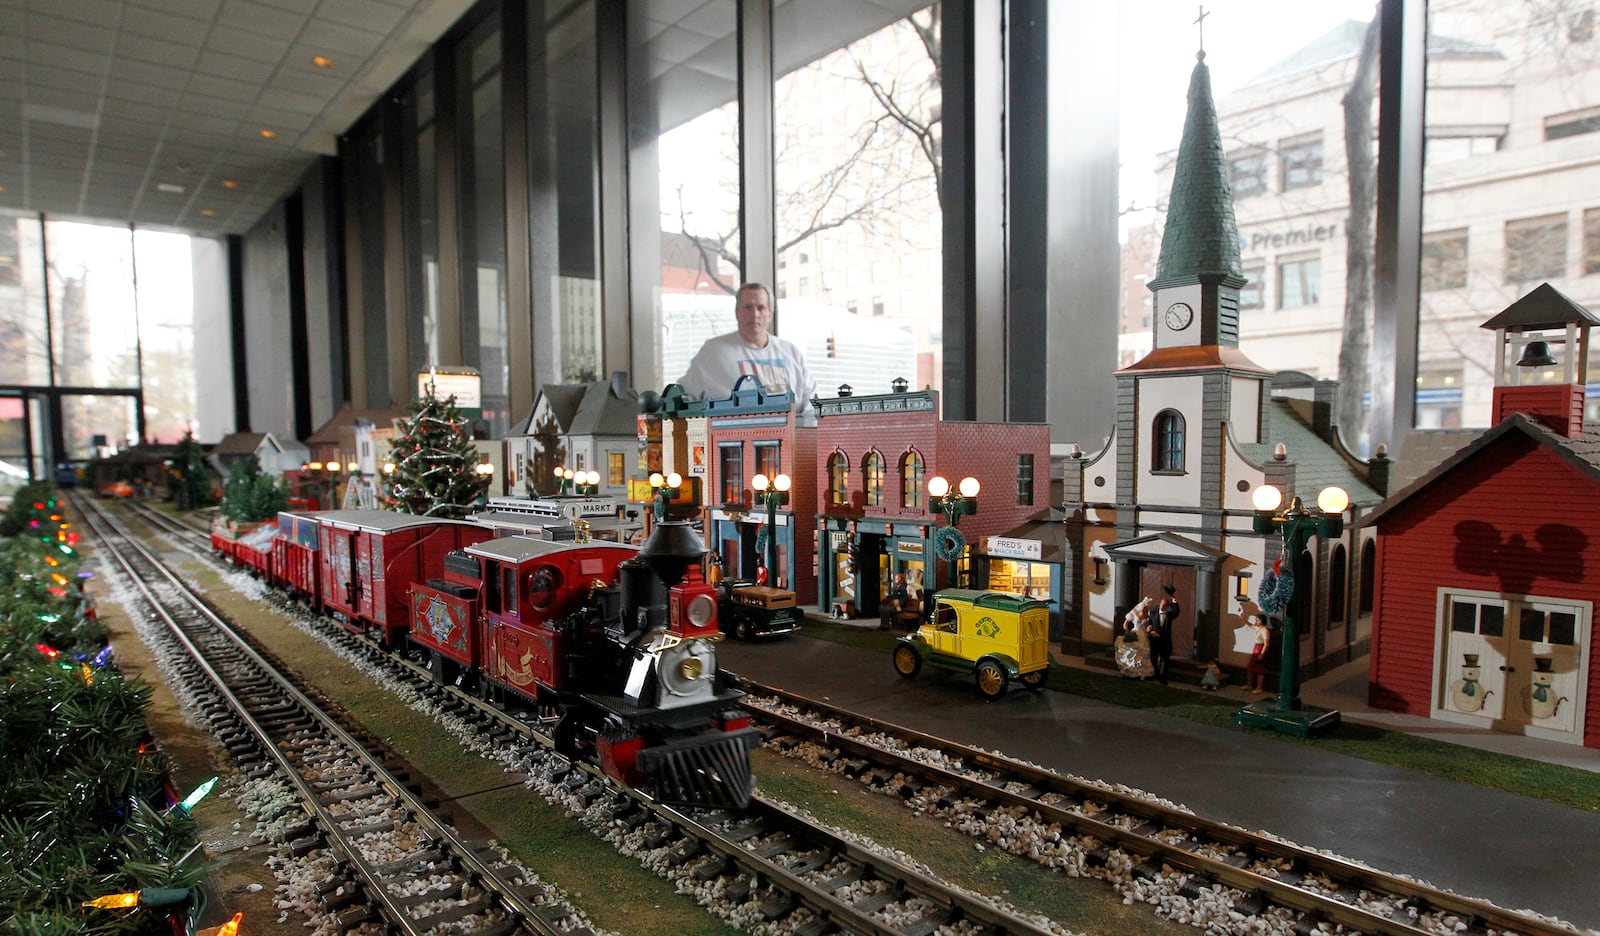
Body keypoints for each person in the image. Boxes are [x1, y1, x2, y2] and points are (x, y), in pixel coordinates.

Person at [677, 283, 818, 426]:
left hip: (792, 442)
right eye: (748, 307)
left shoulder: (791, 354)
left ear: (770, 314)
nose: (755, 314)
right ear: (737, 312)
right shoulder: (713, 352)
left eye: (761, 308)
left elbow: (811, 406)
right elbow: (683, 398)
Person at [1115, 599, 1155, 678]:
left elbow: (1148, 625)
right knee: (1134, 651)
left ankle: (1142, 672)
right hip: (1135, 632)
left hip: (1143, 634)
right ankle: (1131, 670)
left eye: (1147, 608)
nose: (1145, 609)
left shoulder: (1147, 614)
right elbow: (1125, 624)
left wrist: (1149, 629)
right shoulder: (1134, 613)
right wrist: (1127, 632)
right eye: (1145, 607)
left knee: (1143, 652)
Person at [1152, 585, 1178, 685]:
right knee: (1153, 658)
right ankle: (1153, 675)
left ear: (1167, 606)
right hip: (1155, 640)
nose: (1163, 606)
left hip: (1165, 641)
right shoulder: (1153, 613)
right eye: (1162, 604)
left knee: (1164, 660)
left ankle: (1163, 678)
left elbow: (1177, 612)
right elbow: (1149, 624)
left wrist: (1174, 601)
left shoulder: (1169, 615)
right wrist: (1150, 631)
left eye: (1165, 605)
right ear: (1159, 604)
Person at [1245, 614, 1272, 694]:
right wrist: (1242, 616)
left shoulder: (1265, 631)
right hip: (1256, 648)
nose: (1256, 621)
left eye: (1258, 620)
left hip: (1260, 649)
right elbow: (1249, 624)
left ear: (1262, 621)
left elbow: (1266, 644)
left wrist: (1262, 654)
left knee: (1259, 669)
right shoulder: (1258, 628)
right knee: (1250, 667)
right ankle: (1249, 684)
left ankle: (1259, 687)